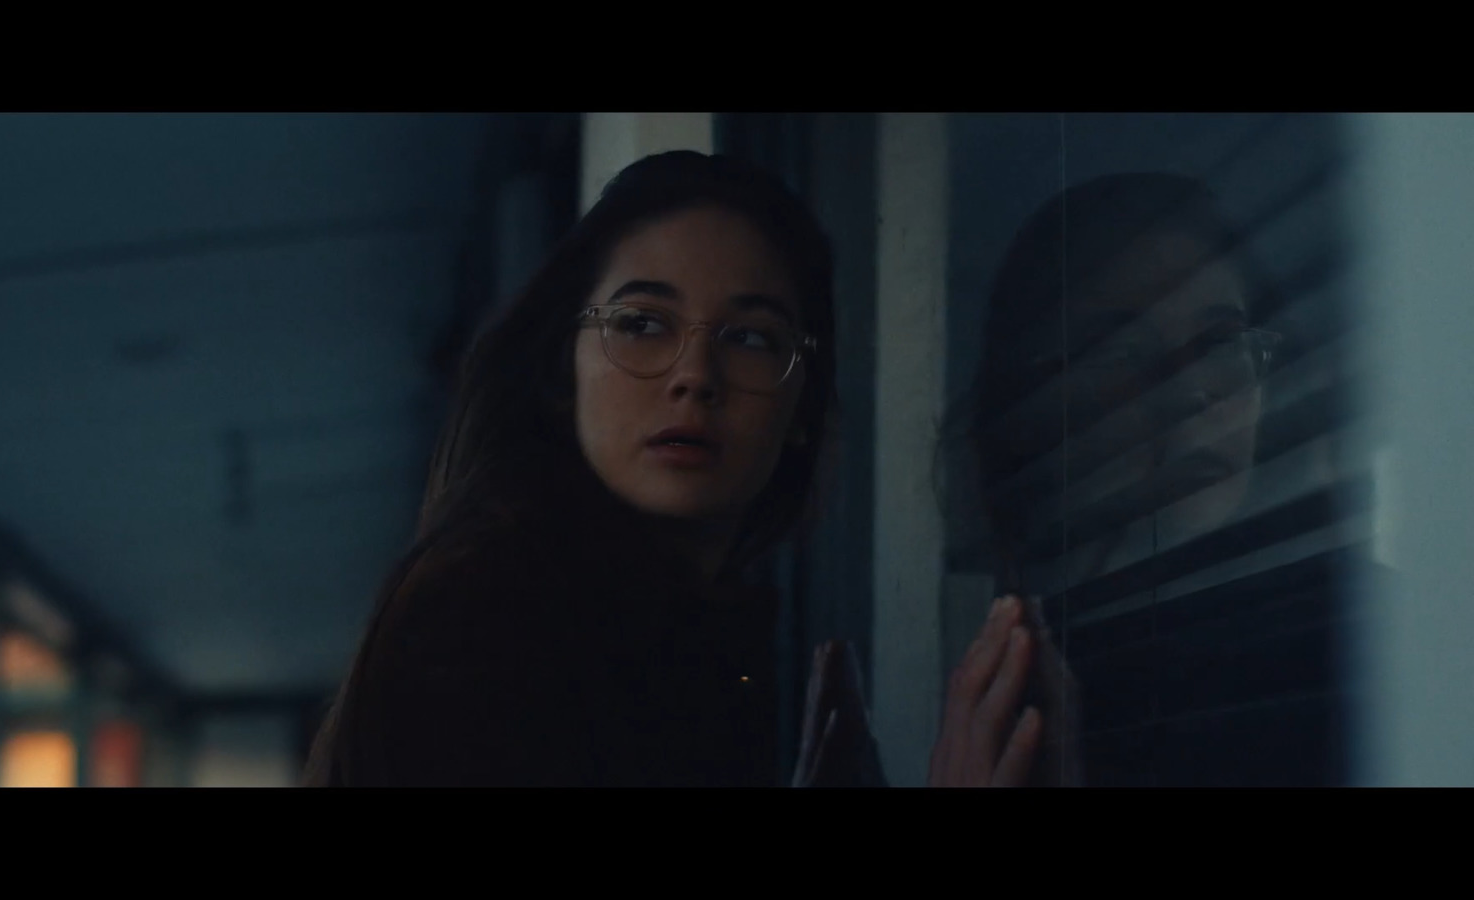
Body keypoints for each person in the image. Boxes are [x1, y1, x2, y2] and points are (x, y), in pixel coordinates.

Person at [302, 150, 883, 786]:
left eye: (749, 338)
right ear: (563, 368)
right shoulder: (489, 615)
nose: (694, 376)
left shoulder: (697, 643)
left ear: (802, 404)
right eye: (641, 324)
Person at [938, 172, 1356, 786]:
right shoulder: (1003, 678)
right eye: (1121, 353)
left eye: (1219, 342)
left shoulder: (1371, 646)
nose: (1186, 391)